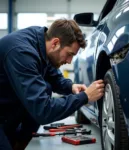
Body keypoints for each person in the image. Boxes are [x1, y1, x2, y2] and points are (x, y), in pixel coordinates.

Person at [0, 19, 104, 150]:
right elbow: (43, 111)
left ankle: (20, 143)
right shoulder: (22, 53)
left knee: (47, 88)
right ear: (55, 43)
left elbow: (53, 76)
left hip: (8, 109)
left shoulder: (42, 42)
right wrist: (84, 97)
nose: (69, 61)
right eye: (69, 54)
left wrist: (70, 87)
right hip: (4, 113)